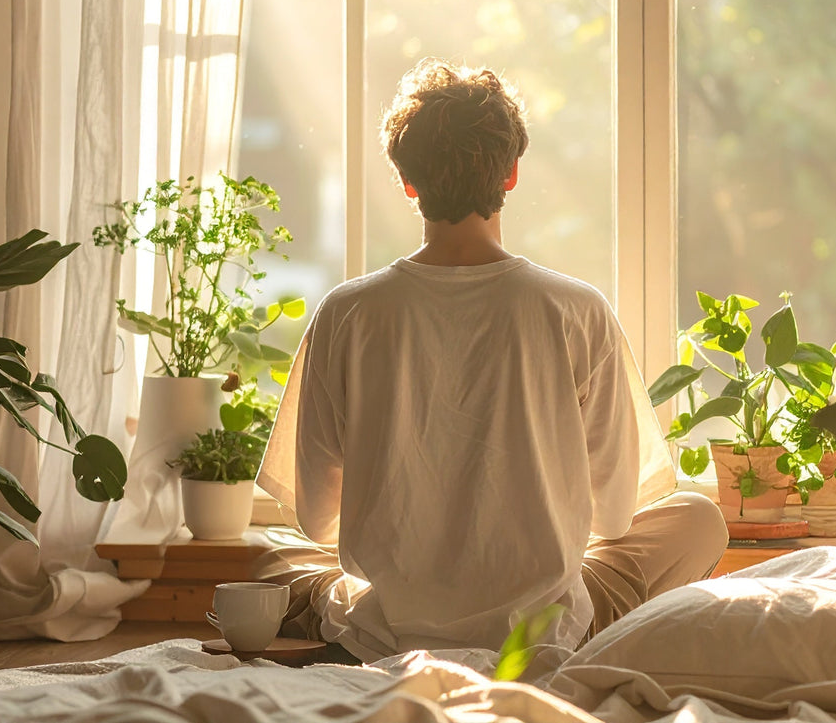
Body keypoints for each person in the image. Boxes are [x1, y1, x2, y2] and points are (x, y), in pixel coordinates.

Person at [254, 59, 728, 662]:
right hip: (539, 632)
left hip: (389, 626)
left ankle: (373, 628)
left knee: (272, 558)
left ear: (407, 180)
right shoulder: (577, 308)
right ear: (510, 174)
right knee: (695, 517)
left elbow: (319, 521)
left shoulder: (346, 312)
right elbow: (612, 520)